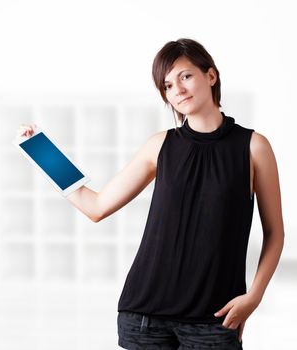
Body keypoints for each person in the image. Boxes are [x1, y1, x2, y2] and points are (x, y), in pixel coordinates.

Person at [18, 38, 284, 349]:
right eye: (167, 85)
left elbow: (275, 233)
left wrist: (254, 296)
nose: (178, 90)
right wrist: (42, 153)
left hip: (215, 318)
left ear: (210, 76)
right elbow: (97, 206)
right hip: (144, 318)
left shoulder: (254, 147)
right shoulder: (160, 145)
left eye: (185, 76)